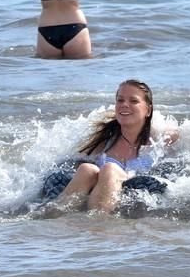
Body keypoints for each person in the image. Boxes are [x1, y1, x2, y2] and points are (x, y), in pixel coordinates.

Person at [55, 79, 178, 212]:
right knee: (86, 169)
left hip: (132, 198)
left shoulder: (160, 140)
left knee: (110, 169)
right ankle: (53, 216)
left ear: (148, 110)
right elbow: (72, 162)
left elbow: (180, 140)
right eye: (120, 100)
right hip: (98, 194)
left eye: (133, 101)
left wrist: (169, 133)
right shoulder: (103, 141)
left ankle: (98, 223)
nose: (124, 104)